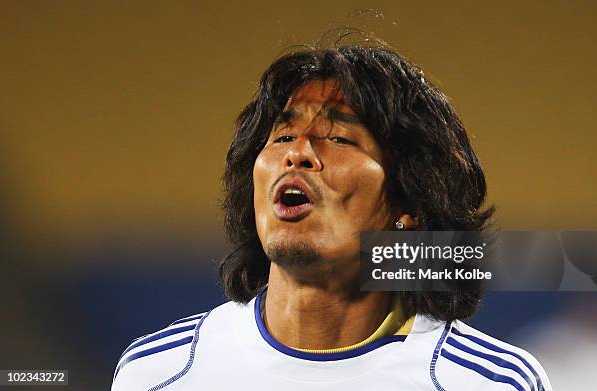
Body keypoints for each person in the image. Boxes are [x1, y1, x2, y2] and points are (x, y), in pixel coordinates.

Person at [111, 42, 553, 390]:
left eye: (340, 139)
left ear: (408, 208)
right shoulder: (157, 372)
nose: (298, 153)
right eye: (283, 134)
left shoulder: (488, 382)